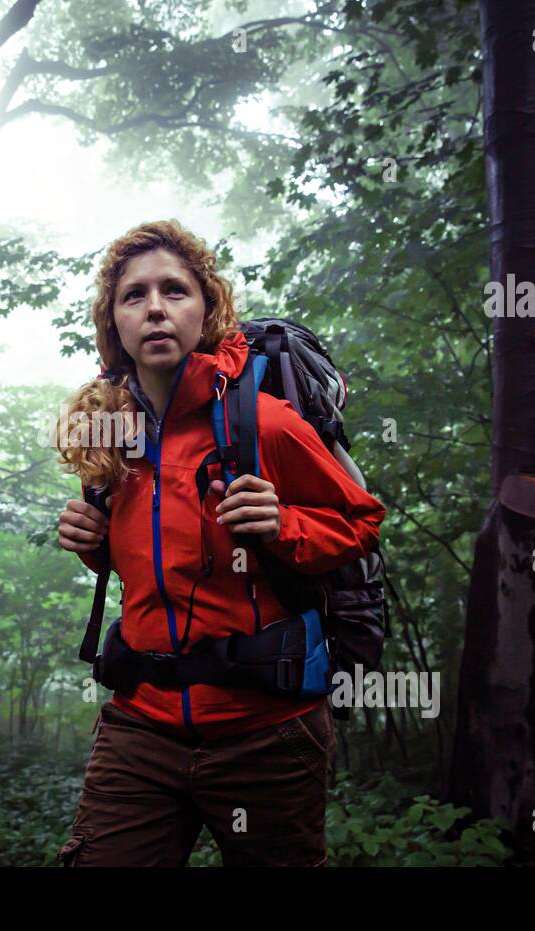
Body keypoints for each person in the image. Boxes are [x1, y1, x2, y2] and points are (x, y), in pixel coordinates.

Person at [53, 219, 386, 867]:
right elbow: (145, 561)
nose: (154, 308)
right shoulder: (110, 434)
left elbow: (360, 523)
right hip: (140, 726)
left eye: (174, 291)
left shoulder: (263, 422)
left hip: (266, 731)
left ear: (206, 311)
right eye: (133, 295)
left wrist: (283, 525)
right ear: (112, 322)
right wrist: (90, 542)